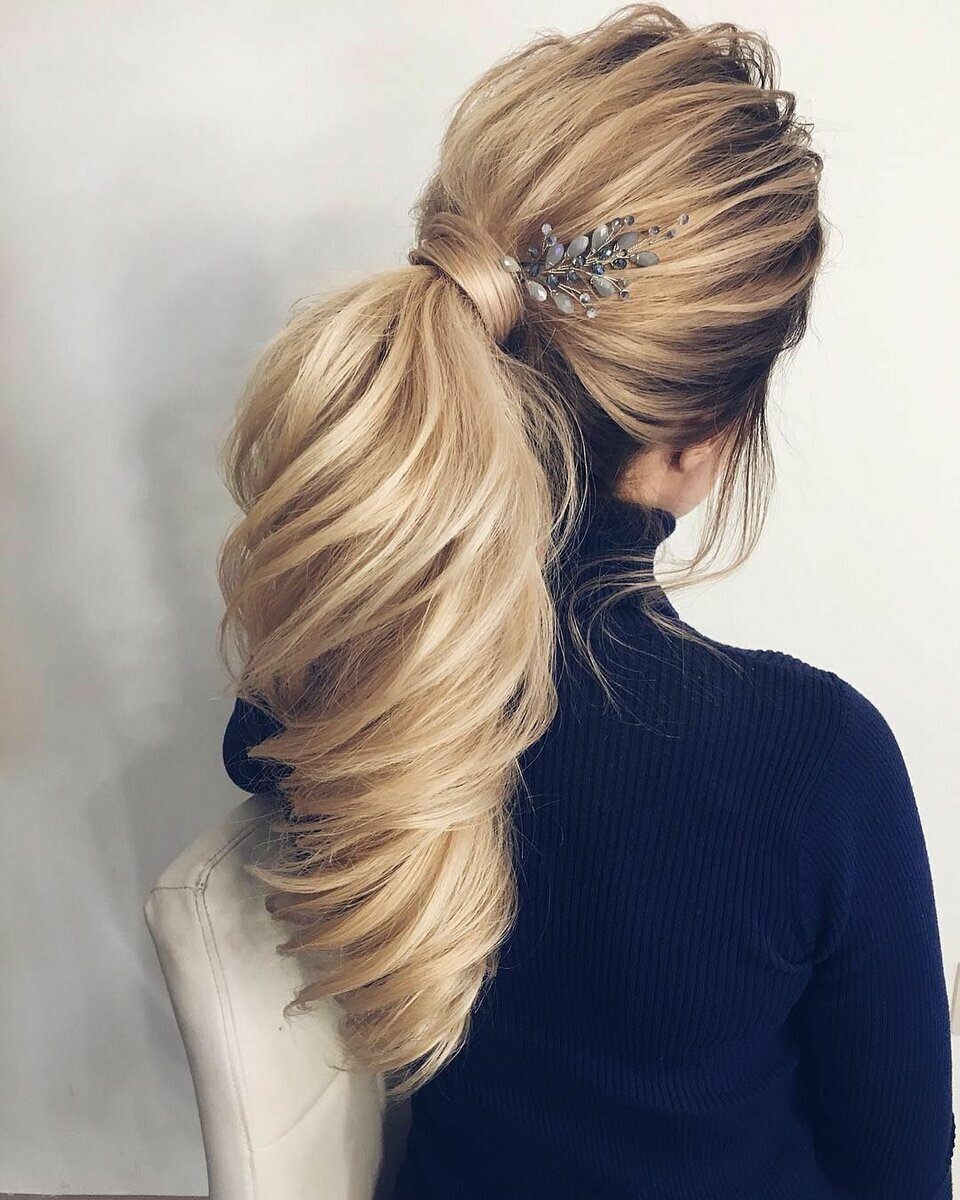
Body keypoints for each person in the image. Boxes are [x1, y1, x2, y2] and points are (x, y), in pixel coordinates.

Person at [218, 6, 955, 1197]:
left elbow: (258, 737)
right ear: (706, 435)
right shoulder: (813, 760)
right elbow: (902, 1171)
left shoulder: (350, 674)